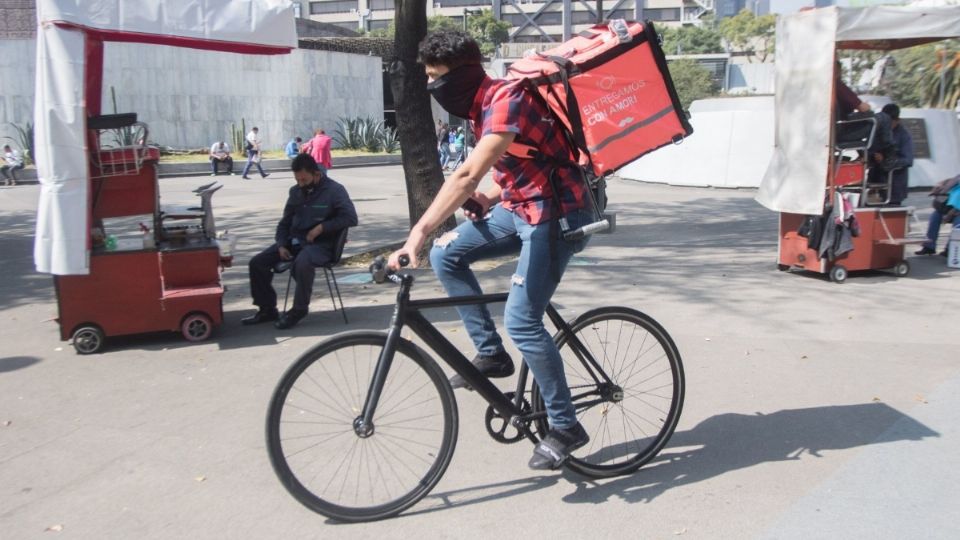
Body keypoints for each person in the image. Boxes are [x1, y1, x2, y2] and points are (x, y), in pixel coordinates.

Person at [387, 30, 595, 471]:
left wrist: (416, 236)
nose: (431, 87)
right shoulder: (481, 107)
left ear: (463, 73)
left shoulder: (506, 98)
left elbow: (464, 175)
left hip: (558, 215)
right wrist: (491, 198)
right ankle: (491, 354)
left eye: (436, 77)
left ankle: (565, 425)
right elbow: (527, 162)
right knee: (448, 255)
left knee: (522, 320)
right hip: (522, 208)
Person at [243, 153, 358, 330]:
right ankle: (267, 309)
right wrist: (281, 244)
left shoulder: (335, 191)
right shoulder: (295, 191)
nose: (301, 184)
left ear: (316, 174)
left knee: (302, 262)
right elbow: (285, 222)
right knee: (257, 263)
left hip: (322, 245)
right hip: (295, 241)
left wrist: (322, 228)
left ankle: (298, 310)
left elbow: (351, 218)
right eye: (297, 180)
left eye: (304, 180)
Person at [869, 103, 913, 206]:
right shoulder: (876, 131)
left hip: (894, 187)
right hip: (874, 184)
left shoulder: (904, 136)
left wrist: (885, 160)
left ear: (897, 120)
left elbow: (908, 160)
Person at [916, 174, 960, 256]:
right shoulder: (955, 179)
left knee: (957, 226)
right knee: (934, 218)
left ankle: (951, 249)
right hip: (948, 207)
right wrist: (939, 186)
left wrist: (948, 216)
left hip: (957, 210)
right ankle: (929, 247)